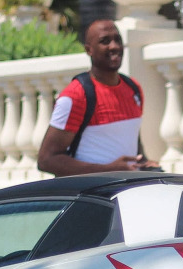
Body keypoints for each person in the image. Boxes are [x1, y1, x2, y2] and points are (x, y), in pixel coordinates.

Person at [37, 19, 159, 177]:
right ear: (89, 50)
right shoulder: (75, 95)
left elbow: (131, 141)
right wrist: (110, 170)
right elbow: (46, 160)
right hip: (89, 196)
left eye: (117, 40)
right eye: (105, 41)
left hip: (124, 190)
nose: (114, 46)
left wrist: (144, 163)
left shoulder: (133, 88)